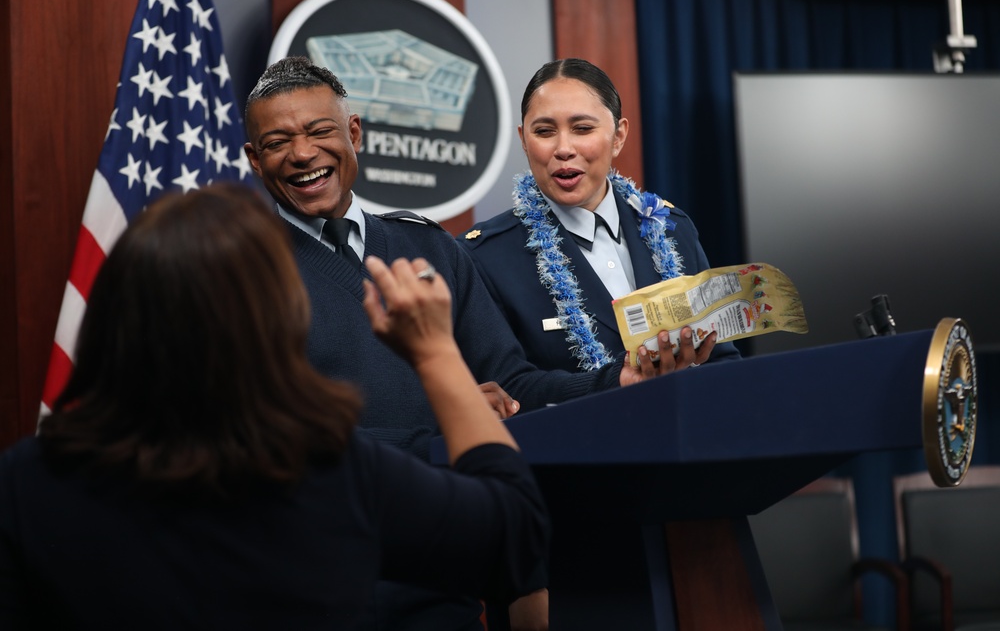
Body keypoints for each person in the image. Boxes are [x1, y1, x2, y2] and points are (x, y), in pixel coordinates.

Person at [241, 56, 710, 631]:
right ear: (255, 160)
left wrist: (616, 381)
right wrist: (450, 429)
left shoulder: (431, 249)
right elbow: (257, 436)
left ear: (353, 133)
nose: (303, 153)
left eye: (318, 132)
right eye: (278, 141)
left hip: (443, 584)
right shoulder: (239, 273)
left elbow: (512, 385)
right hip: (311, 582)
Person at [0, 185, 549, 630]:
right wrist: (436, 353)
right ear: (273, 323)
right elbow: (514, 537)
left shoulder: (26, 480)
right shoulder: (325, 470)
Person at [460, 58, 741, 375]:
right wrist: (614, 383)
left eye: (582, 129)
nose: (564, 148)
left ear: (618, 136)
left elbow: (722, 360)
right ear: (524, 139)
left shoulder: (672, 229)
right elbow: (508, 387)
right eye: (544, 131)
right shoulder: (483, 257)